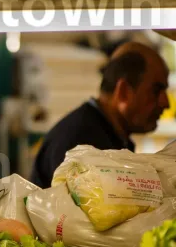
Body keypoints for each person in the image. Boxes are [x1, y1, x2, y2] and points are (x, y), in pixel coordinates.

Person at [30, 42, 170, 189]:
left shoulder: (110, 136)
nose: (165, 103)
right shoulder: (80, 143)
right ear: (123, 91)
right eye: (156, 90)